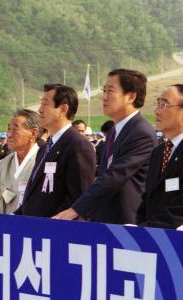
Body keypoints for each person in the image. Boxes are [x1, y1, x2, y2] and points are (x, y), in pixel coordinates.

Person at [54, 69, 157, 224]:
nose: (104, 96)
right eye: (104, 90)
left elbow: (115, 176)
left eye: (110, 91)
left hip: (126, 224)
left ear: (131, 96)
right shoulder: (115, 131)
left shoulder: (141, 133)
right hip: (104, 220)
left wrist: (75, 210)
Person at [16, 84, 96, 217]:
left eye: (45, 104)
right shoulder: (45, 147)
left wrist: (52, 223)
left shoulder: (78, 146)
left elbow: (79, 198)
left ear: (63, 109)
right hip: (33, 228)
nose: (40, 110)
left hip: (56, 231)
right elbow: (34, 195)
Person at [137, 84, 183, 228]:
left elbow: (179, 210)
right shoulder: (159, 152)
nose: (157, 111)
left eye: (164, 105)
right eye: (158, 104)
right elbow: (148, 198)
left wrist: (147, 229)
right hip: (153, 238)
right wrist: (139, 227)